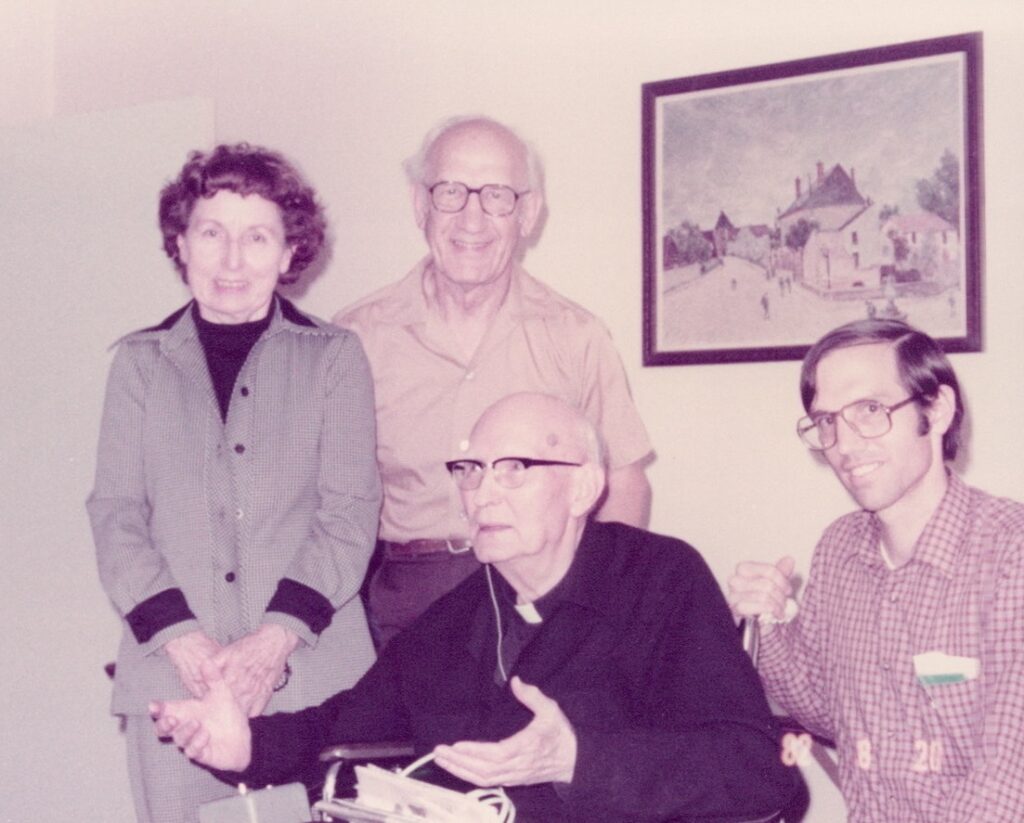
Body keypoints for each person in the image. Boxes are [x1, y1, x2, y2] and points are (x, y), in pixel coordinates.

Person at [152, 393, 799, 823]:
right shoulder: (459, 613)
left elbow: (760, 773)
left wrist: (576, 758)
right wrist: (244, 744)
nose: (481, 492)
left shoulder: (660, 581)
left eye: (514, 468)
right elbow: (346, 721)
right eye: (469, 469)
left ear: (584, 486)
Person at [87, 143, 381, 823]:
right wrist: (184, 642)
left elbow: (348, 514)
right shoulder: (137, 364)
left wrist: (272, 640)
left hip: (314, 681)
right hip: (172, 685)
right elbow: (116, 514)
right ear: (181, 244)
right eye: (211, 233)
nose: (232, 260)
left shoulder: (335, 358)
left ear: (288, 252)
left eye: (257, 237)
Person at [334, 116, 653, 647]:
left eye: (497, 196)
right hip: (409, 601)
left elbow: (624, 481)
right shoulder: (355, 338)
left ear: (528, 212)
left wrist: (596, 610)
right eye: (451, 192)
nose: (472, 219)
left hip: (543, 592)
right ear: (420, 205)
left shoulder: (576, 336)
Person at [727, 319, 1024, 822]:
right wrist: (773, 624)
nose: (844, 445)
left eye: (869, 410)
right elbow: (825, 711)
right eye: (827, 421)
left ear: (937, 410)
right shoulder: (840, 547)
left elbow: (1006, 786)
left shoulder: (1010, 554)